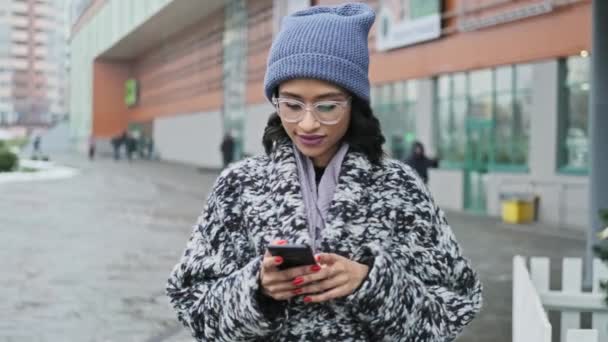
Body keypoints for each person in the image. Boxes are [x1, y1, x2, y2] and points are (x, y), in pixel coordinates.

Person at [166, 3, 482, 342]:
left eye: (328, 105)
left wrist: (371, 282)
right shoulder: (238, 186)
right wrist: (257, 288)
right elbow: (190, 303)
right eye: (291, 104)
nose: (308, 123)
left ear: (354, 103)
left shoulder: (401, 187)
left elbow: (453, 312)